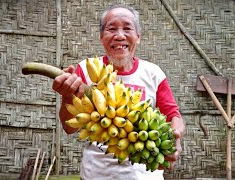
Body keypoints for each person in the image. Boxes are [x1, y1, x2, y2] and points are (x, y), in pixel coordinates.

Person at [52, 4, 185, 180]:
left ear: (138, 37)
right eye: (111, 29)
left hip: (144, 175)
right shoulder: (85, 70)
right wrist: (67, 97)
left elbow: (173, 115)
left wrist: (176, 136)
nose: (120, 35)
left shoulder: (153, 73)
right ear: (101, 37)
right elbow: (69, 128)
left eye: (128, 28)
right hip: (97, 174)